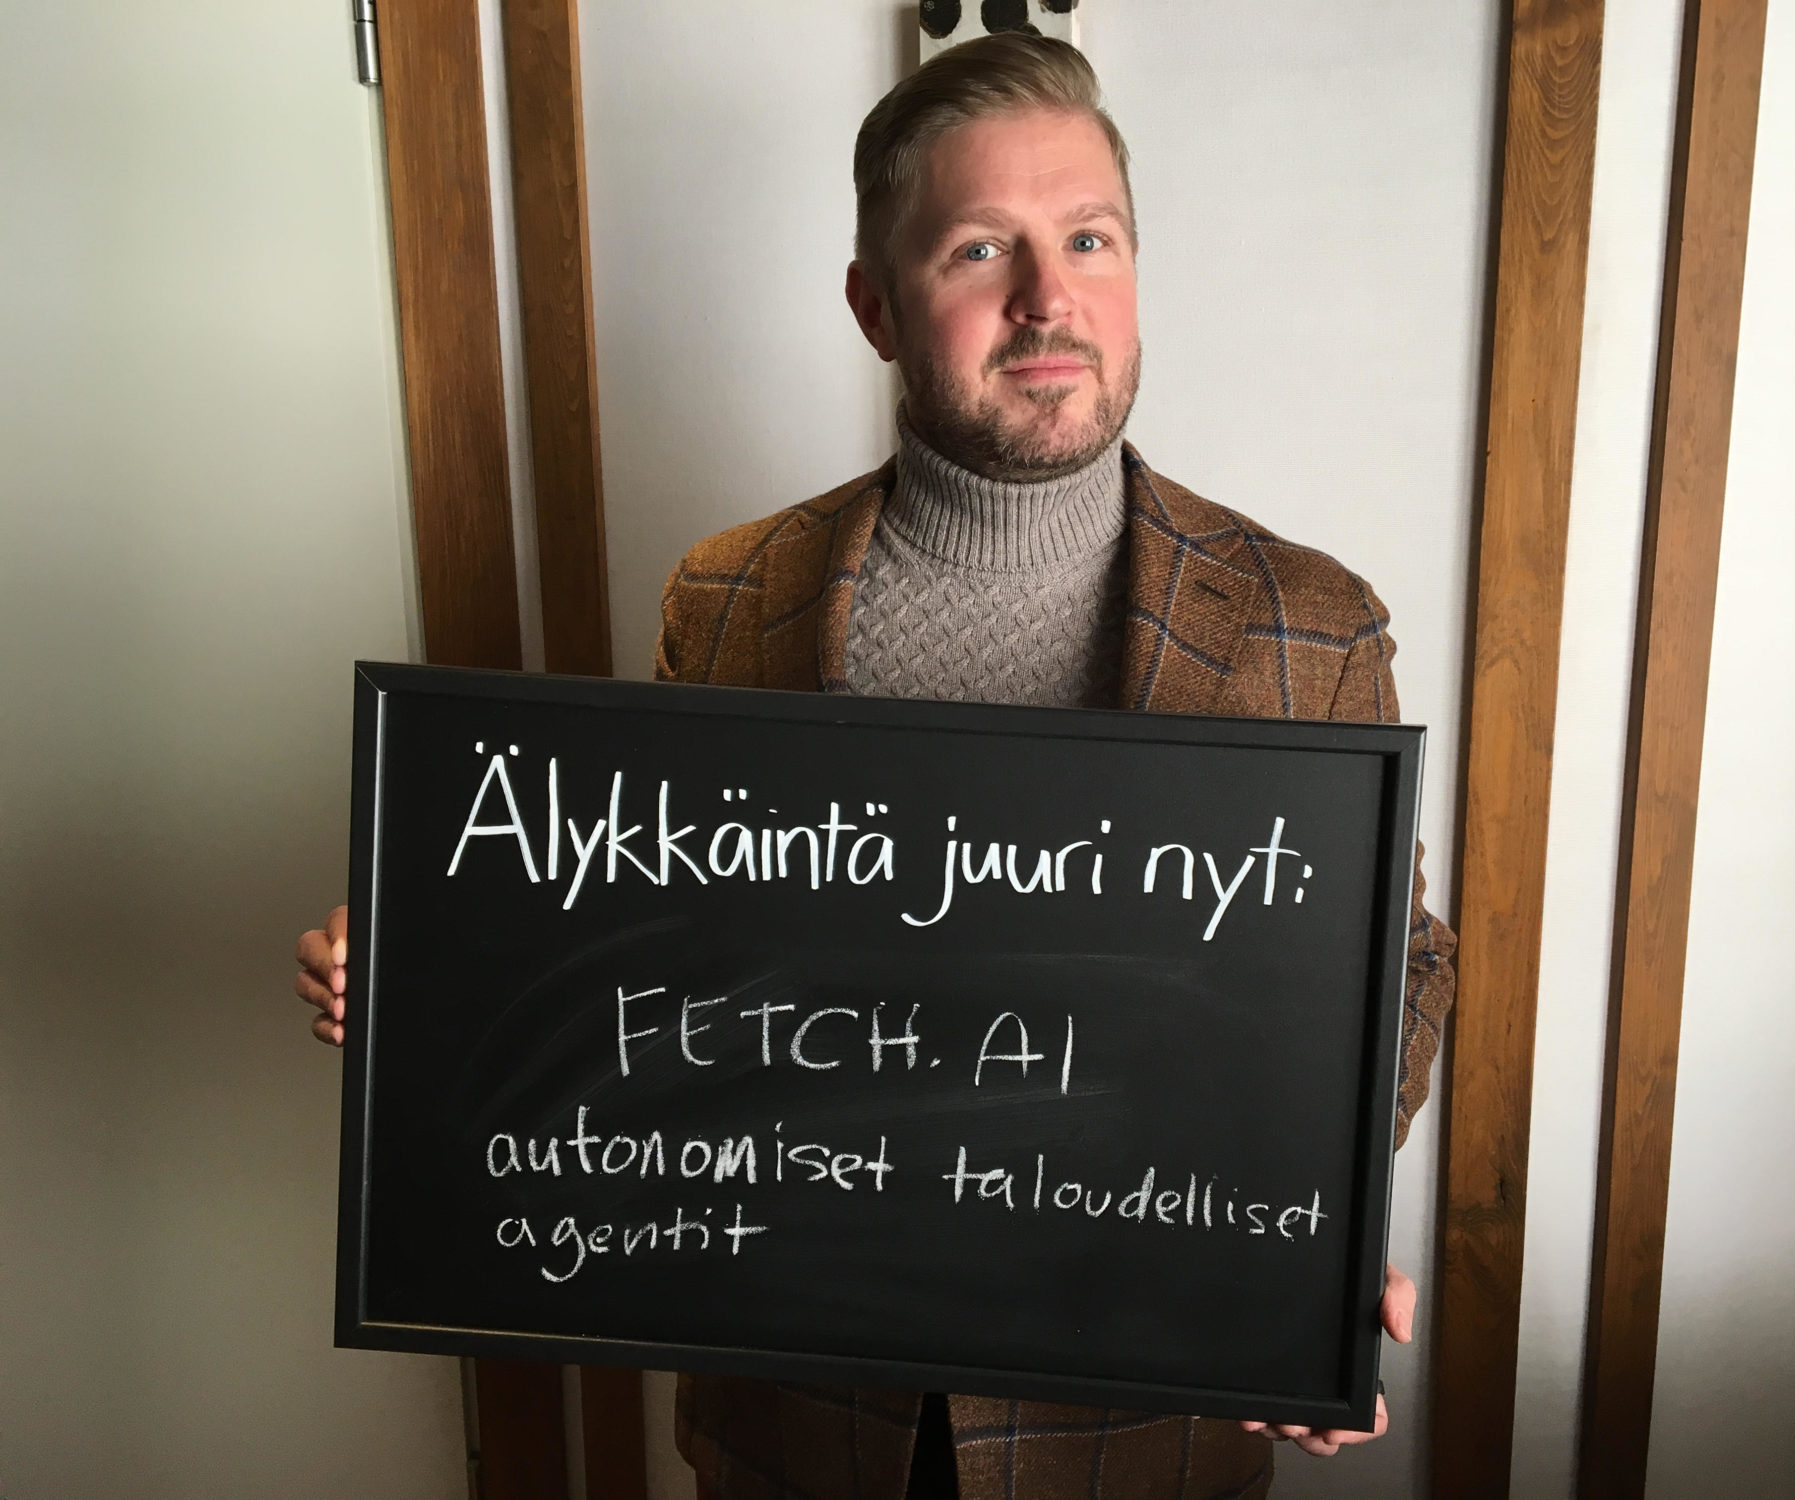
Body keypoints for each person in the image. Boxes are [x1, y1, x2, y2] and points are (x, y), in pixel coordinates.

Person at [296, 32, 1456, 1500]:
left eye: (1087, 238)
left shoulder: (1309, 621)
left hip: (1133, 1419)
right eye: (979, 249)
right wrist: (437, 977)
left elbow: (1394, 968)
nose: (1048, 297)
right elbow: (653, 954)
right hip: (801, 1412)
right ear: (875, 306)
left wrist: (1307, 1236)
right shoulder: (732, 596)